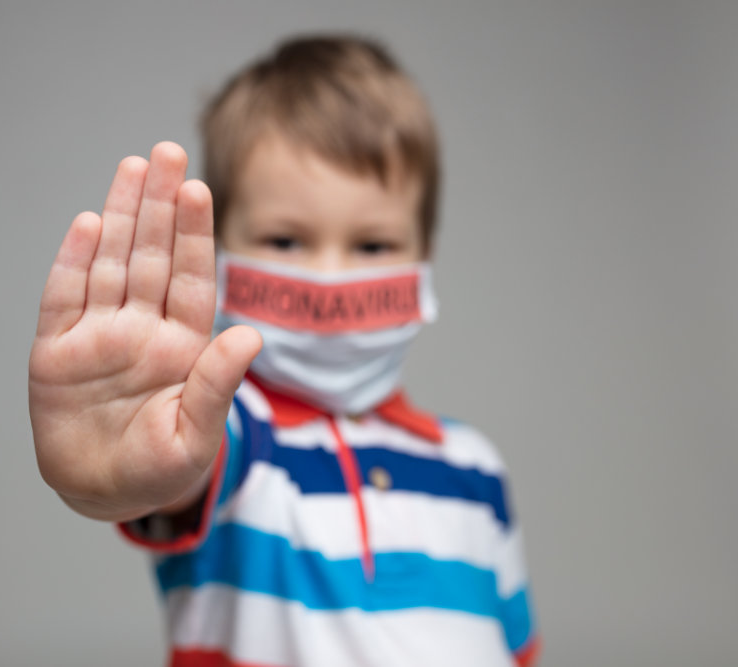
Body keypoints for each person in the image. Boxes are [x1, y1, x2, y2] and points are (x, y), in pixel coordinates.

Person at [29, 34, 540, 667]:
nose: (329, 276)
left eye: (374, 245)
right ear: (220, 253)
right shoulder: (236, 440)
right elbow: (179, 469)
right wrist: (120, 463)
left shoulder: (475, 470)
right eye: (286, 240)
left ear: (425, 259)